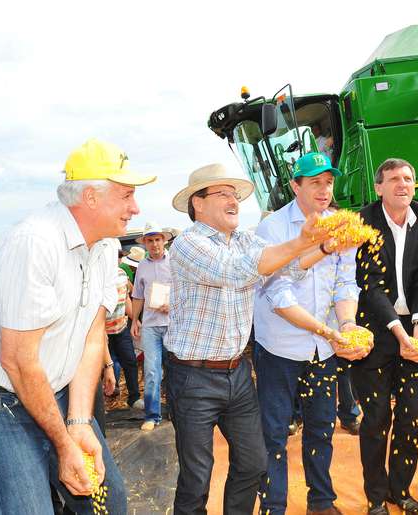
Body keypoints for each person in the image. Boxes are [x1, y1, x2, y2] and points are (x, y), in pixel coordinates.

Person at [0, 138, 155, 514]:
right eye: (126, 196)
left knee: (108, 503)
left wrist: (77, 422)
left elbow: (91, 338)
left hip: (56, 391)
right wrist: (63, 443)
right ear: (91, 197)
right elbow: (18, 361)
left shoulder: (105, 247)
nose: (134, 209)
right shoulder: (34, 243)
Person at [165, 162, 339, 514]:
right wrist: (303, 240)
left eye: (235, 195)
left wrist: (321, 248)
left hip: (237, 372)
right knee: (197, 476)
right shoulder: (188, 243)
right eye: (223, 194)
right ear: (197, 203)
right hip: (193, 376)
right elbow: (236, 272)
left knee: (253, 463)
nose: (233, 201)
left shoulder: (245, 239)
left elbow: (286, 266)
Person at [253, 152, 367, 515]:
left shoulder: (341, 223)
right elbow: (279, 291)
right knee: (273, 432)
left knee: (321, 427)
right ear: (295, 185)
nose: (324, 189)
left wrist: (346, 324)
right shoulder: (272, 228)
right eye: (315, 182)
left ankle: (321, 501)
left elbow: (345, 282)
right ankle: (274, 505)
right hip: (279, 348)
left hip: (324, 349)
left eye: (329, 182)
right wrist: (329, 331)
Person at [353, 158, 418, 514]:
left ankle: (399, 490)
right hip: (375, 332)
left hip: (415, 328)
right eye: (393, 179)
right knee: (376, 420)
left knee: (413, 415)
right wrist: (398, 331)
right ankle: (376, 497)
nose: (402, 184)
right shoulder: (364, 221)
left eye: (408, 178)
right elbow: (370, 284)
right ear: (379, 188)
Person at [130, 222, 174, 430]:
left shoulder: (175, 262)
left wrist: (173, 305)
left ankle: (176, 411)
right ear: (145, 243)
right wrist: (134, 320)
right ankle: (152, 415)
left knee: (175, 370)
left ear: (164, 241)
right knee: (151, 371)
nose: (155, 244)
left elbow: (186, 290)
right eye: (150, 240)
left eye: (158, 239)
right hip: (150, 326)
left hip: (173, 324)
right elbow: (137, 295)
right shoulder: (142, 267)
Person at [106, 241, 140, 409]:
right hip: (103, 333)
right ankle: (108, 396)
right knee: (108, 365)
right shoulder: (99, 277)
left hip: (121, 328)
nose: (118, 259)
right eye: (115, 256)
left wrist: (135, 320)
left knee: (130, 362)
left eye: (119, 256)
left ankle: (134, 398)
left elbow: (126, 299)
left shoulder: (122, 275)